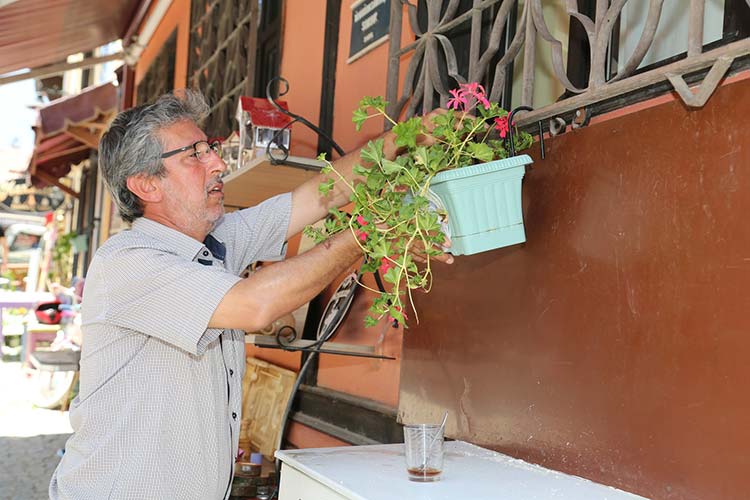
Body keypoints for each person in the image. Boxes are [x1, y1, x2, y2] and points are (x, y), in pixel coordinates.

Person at [49, 90, 451, 499]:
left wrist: (405, 140)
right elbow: (256, 305)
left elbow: (318, 195)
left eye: (212, 149)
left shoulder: (213, 242)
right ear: (147, 184)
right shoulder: (129, 262)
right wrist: (369, 232)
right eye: (195, 155)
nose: (218, 164)